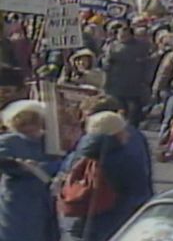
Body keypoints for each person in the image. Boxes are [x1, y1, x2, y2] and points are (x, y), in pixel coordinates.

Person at [60, 111, 150, 241]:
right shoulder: (125, 158)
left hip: (78, 221)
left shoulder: (76, 155)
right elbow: (138, 193)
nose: (128, 134)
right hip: (114, 222)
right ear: (116, 133)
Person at [0, 100, 60, 241]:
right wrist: (18, 165)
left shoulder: (50, 140)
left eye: (32, 121)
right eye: (23, 122)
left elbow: (62, 161)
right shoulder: (8, 141)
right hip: (18, 199)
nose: (29, 126)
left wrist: (45, 167)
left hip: (46, 198)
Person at [103, 26, 150, 127]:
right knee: (121, 109)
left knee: (135, 110)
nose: (122, 37)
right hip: (117, 83)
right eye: (120, 35)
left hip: (136, 83)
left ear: (131, 35)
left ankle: (133, 129)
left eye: (125, 35)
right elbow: (106, 64)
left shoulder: (141, 47)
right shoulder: (112, 46)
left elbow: (148, 63)